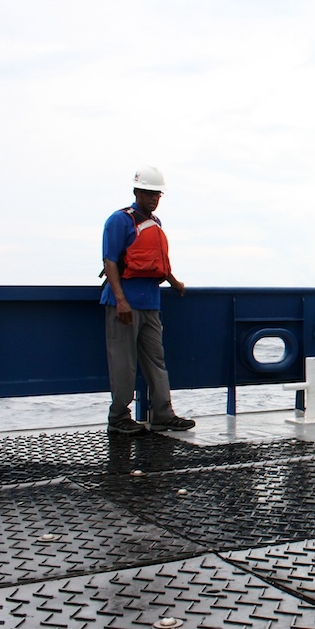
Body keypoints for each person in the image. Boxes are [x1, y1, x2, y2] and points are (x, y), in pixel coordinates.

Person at [100, 165, 196, 436]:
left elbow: (157, 262)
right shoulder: (119, 221)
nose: (153, 199)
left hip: (151, 304)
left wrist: (174, 282)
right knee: (123, 363)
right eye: (148, 193)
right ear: (137, 192)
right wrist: (120, 300)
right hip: (124, 305)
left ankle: (163, 414)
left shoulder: (156, 223)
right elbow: (110, 262)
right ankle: (118, 416)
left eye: (157, 194)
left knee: (157, 360)